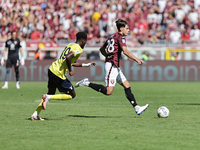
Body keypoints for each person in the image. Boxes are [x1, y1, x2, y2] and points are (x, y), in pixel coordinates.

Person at [75, 19, 149, 115]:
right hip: (111, 65)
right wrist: (137, 59)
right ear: (121, 29)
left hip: (114, 64)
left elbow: (101, 49)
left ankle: (137, 108)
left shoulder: (111, 37)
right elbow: (125, 51)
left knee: (127, 85)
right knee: (108, 91)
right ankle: (86, 83)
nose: (128, 30)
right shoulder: (121, 37)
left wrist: (108, 55)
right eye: (127, 28)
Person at [30, 32, 96, 120]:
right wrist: (70, 70)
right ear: (83, 41)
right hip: (58, 73)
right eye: (85, 42)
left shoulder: (70, 45)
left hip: (52, 69)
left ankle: (35, 114)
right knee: (72, 94)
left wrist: (86, 65)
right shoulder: (78, 49)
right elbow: (68, 57)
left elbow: (71, 61)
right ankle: (47, 97)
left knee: (51, 93)